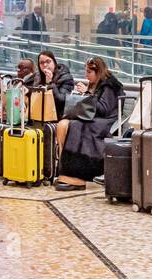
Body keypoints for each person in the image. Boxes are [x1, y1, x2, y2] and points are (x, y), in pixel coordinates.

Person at [53, 57, 125, 191]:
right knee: (64, 124)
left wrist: (85, 96)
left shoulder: (109, 85)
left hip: (107, 121)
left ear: (97, 72)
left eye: (88, 72)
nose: (86, 75)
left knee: (76, 126)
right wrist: (87, 94)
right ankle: (66, 171)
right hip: (99, 119)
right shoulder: (100, 84)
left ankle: (78, 175)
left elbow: (104, 108)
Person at [0, 58, 38, 162]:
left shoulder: (32, 82)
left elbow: (21, 100)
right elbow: (3, 98)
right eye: (18, 68)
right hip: (8, 110)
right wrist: (0, 88)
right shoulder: (16, 81)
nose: (18, 71)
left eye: (22, 68)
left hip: (21, 114)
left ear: (31, 69)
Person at [37, 48, 76, 116]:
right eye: (42, 63)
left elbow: (61, 102)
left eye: (48, 61)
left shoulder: (66, 77)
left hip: (57, 115)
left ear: (54, 62)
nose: (45, 65)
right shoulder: (38, 76)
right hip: (40, 113)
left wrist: (50, 83)